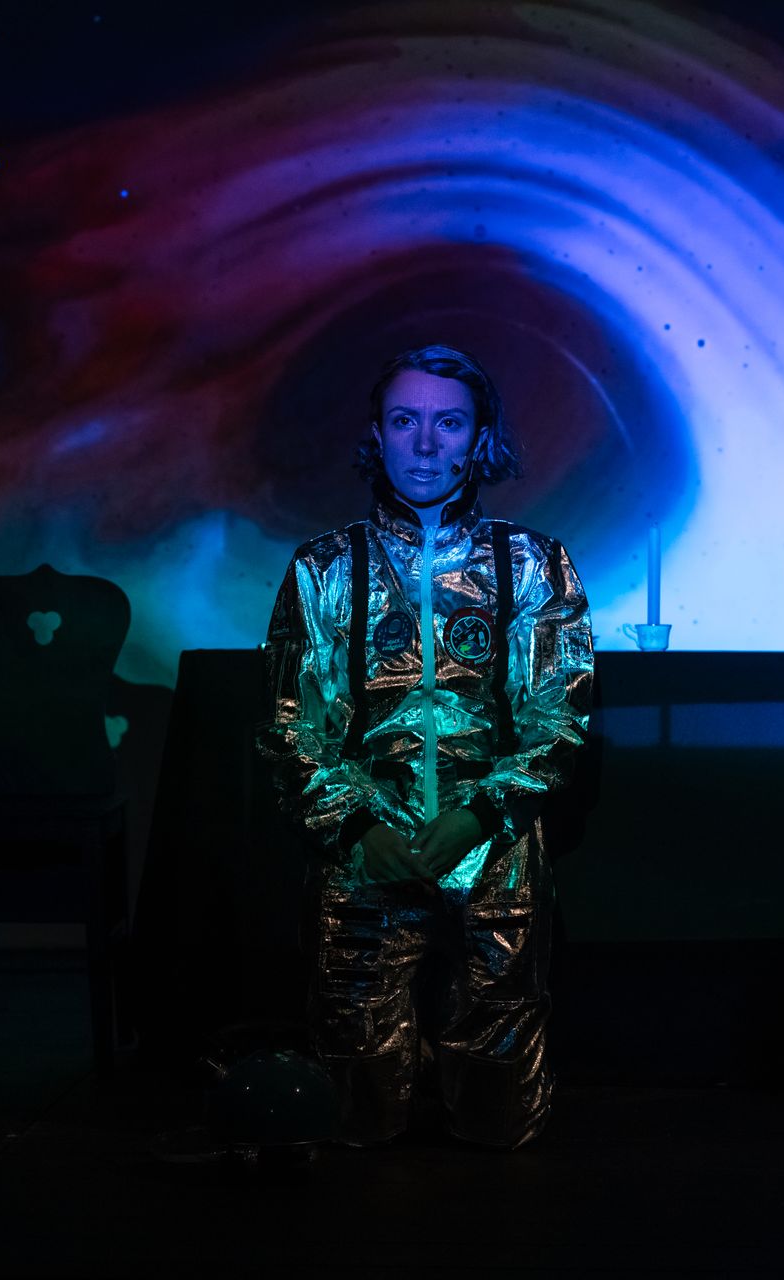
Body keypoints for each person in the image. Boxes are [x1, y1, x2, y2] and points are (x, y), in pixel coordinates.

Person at [256, 344, 594, 1149]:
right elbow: (288, 724)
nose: (426, 444)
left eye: (449, 423)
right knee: (356, 1115)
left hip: (495, 853)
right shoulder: (324, 568)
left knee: (501, 1118)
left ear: (481, 437)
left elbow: (561, 718)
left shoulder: (533, 564)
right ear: (377, 434)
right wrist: (356, 827)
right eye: (405, 421)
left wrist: (478, 816)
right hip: (363, 855)